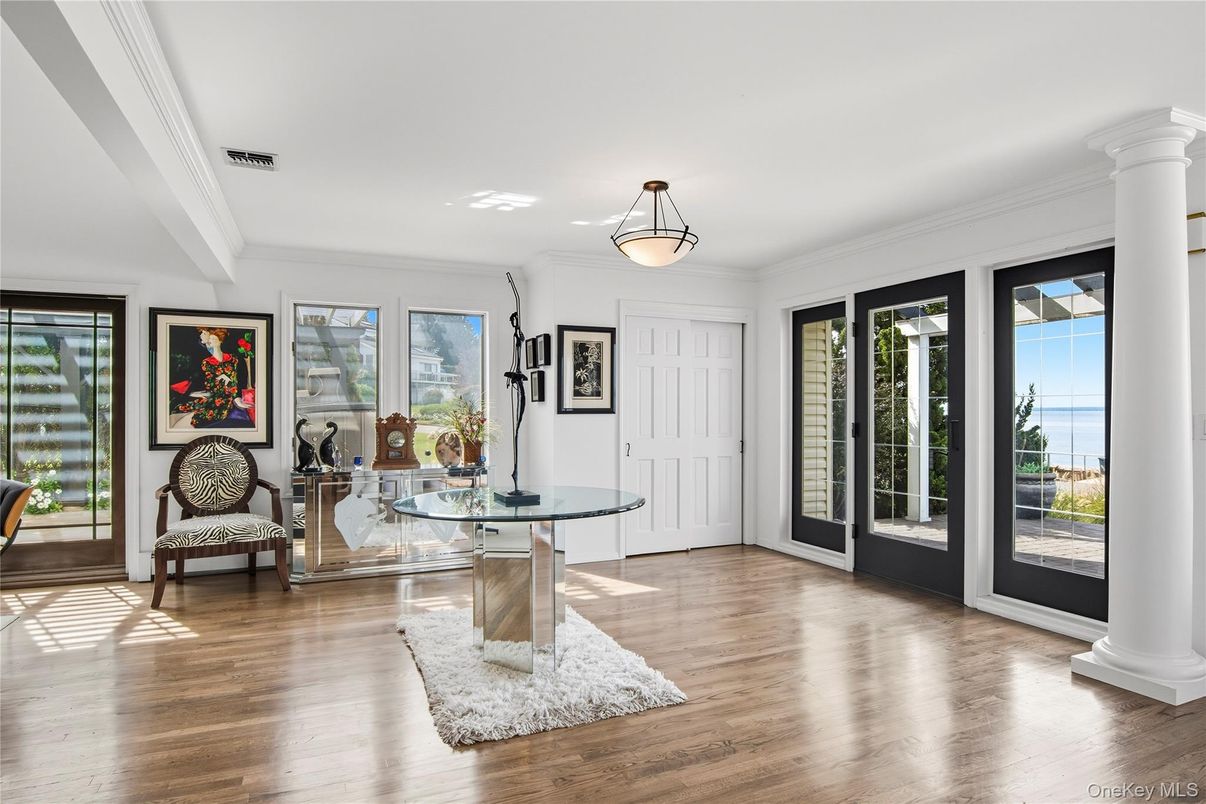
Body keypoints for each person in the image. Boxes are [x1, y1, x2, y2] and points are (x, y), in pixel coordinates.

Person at [175, 327, 250, 428]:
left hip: (230, 396)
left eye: (214, 339)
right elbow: (211, 383)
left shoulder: (234, 359)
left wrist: (236, 396)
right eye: (210, 340)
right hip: (216, 395)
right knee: (197, 412)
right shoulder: (206, 362)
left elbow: (239, 379)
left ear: (220, 341)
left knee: (218, 412)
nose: (212, 342)